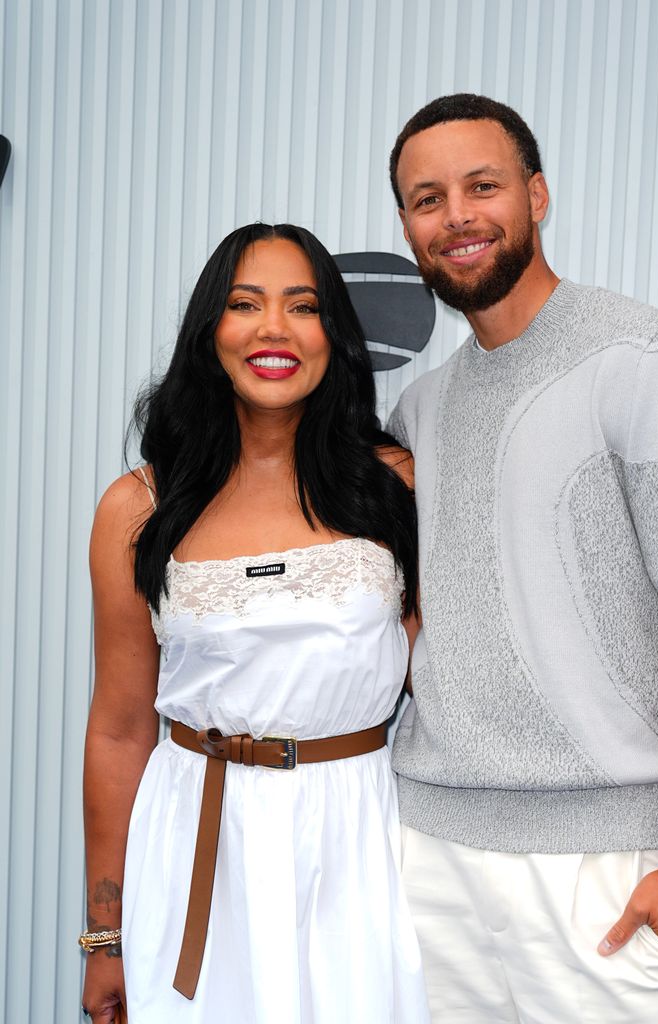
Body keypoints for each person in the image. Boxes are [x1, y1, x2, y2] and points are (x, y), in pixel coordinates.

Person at [386, 93, 658, 1022]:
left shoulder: (647, 359)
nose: (456, 216)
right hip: (427, 853)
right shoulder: (419, 412)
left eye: (483, 186)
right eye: (427, 199)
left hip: (605, 868)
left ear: (537, 195)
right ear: (406, 225)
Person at [81, 223, 431, 1024]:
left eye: (301, 306)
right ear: (211, 332)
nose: (273, 328)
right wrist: (106, 934)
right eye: (246, 304)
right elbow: (120, 729)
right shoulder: (137, 506)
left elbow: (439, 681)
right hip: (197, 841)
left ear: (333, 337)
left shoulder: (394, 484)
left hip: (359, 840)